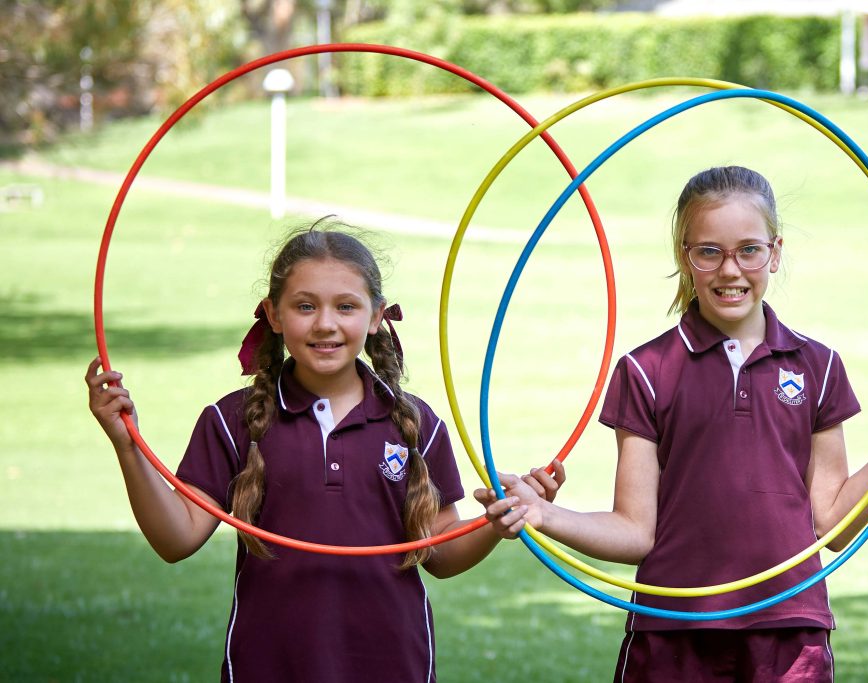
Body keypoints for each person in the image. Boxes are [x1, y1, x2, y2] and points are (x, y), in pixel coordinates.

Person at [476, 166, 868, 682]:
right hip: (674, 630)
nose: (730, 270)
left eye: (748, 250)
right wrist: (544, 514)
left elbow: (833, 524)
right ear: (685, 256)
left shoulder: (818, 366)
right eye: (710, 251)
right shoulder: (647, 370)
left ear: (775, 251)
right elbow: (635, 531)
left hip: (788, 628)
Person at [87, 222, 563, 682]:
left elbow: (438, 550)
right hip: (267, 667)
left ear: (377, 317)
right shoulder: (232, 421)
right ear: (273, 315)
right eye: (305, 306)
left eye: (346, 307)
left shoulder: (417, 425)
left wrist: (496, 525)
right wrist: (126, 445)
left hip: (393, 666)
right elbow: (177, 539)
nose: (326, 324)